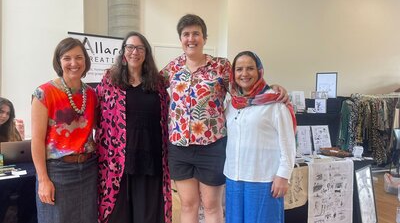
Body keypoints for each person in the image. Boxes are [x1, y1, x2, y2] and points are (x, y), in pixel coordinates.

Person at [160, 14, 289, 223]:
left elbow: (245, 85)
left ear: (204, 38)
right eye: (186, 34)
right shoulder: (172, 68)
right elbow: (149, 86)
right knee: (187, 205)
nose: (191, 38)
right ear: (180, 39)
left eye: (196, 34)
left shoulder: (220, 66)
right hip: (179, 147)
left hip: (212, 147)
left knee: (212, 206)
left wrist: (272, 89)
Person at [96, 31, 172, 223]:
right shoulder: (109, 81)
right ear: (123, 52)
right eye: (130, 47)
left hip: (150, 158)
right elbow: (96, 113)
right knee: (118, 215)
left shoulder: (159, 83)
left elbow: (168, 117)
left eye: (140, 48)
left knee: (148, 216)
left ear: (146, 53)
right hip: (117, 160)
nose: (134, 52)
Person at [223, 51, 296, 223]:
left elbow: (288, 142)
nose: (244, 74)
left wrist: (283, 175)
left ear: (259, 71)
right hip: (234, 177)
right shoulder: (231, 102)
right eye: (239, 69)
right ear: (233, 74)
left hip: (264, 179)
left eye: (250, 68)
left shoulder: (275, 103)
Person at [31, 37, 98, 223]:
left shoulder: (92, 94)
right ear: (59, 62)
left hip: (88, 169)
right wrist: (43, 180)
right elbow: (36, 140)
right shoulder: (43, 93)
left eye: (79, 57)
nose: (74, 63)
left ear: (85, 61)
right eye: (67, 58)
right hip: (57, 172)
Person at [0, 97, 33, 223]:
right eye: (1, 112)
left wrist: (21, 135)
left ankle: (25, 219)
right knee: (4, 189)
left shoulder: (10, 128)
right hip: (3, 178)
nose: (4, 116)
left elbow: (18, 150)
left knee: (30, 183)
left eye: (8, 113)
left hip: (9, 171)